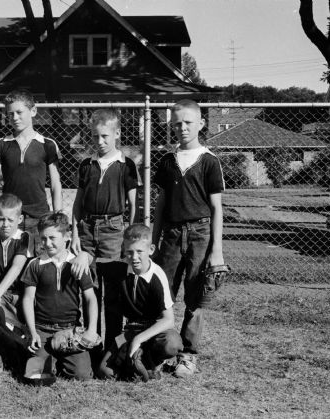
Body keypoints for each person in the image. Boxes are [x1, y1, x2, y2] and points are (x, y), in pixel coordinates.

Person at [152, 99, 225, 378]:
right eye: (177, 123)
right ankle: (160, 350)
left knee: (195, 298)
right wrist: (153, 240)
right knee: (163, 294)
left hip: (200, 234)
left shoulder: (209, 161)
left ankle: (188, 355)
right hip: (170, 234)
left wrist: (216, 251)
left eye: (188, 123)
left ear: (201, 124)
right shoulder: (167, 161)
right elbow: (160, 205)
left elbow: (217, 208)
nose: (182, 128)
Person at [70, 109, 140, 351]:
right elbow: (78, 203)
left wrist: (129, 235)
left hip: (114, 230)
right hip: (87, 230)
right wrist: (75, 234)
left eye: (105, 137)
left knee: (112, 293)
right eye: (95, 136)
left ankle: (111, 347)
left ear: (117, 134)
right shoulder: (87, 166)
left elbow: (134, 204)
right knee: (90, 290)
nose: (99, 142)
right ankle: (92, 342)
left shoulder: (125, 165)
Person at [97, 224, 183, 380]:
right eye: (129, 252)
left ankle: (155, 361)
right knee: (105, 372)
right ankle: (139, 360)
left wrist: (139, 339)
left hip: (155, 329)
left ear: (151, 249)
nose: (134, 257)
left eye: (139, 252)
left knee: (172, 344)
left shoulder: (157, 276)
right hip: (132, 328)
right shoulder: (121, 269)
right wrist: (84, 256)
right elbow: (96, 262)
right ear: (123, 249)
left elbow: (168, 320)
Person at [21, 212, 98, 381]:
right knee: (35, 376)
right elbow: (27, 299)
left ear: (67, 236)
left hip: (69, 330)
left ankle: (60, 359)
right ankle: (50, 359)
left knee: (82, 375)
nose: (47, 243)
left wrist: (91, 330)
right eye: (43, 238)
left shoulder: (77, 264)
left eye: (52, 238)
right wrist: (32, 331)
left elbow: (91, 298)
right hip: (42, 329)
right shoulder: (35, 264)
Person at [0, 89, 62, 253]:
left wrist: (58, 215)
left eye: (19, 112)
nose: (14, 118)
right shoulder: (0, 145)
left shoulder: (48, 144)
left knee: (38, 263)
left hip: (40, 216)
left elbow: (56, 184)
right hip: (9, 217)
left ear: (33, 111)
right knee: (10, 264)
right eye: (10, 113)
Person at [0, 193, 33, 322]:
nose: (5, 224)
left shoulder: (25, 237)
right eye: (1, 219)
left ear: (20, 219)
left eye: (10, 220)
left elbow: (17, 266)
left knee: (17, 329)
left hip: (23, 294)